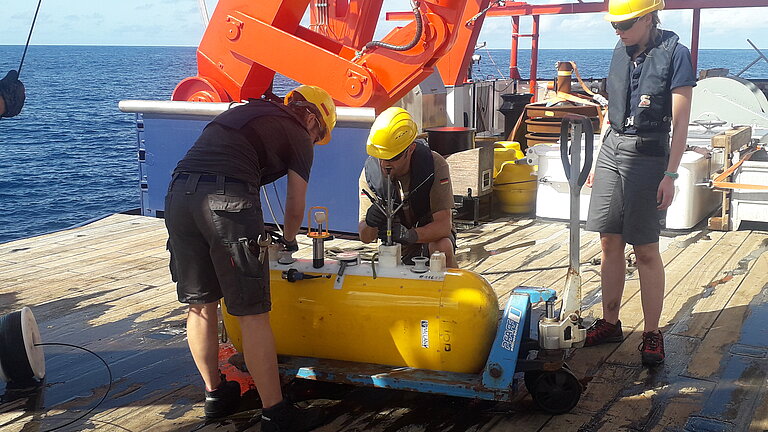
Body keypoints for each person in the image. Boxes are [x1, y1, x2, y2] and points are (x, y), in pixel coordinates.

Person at [164, 85, 336, 430]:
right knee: (252, 313)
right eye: (319, 135)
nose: (314, 142)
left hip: (179, 196)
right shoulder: (299, 133)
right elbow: (295, 204)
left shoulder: (247, 113)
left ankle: (216, 395)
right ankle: (276, 414)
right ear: (312, 118)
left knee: (200, 305)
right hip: (227, 200)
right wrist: (288, 242)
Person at [584, 0, 695, 366]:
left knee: (645, 249)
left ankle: (651, 333)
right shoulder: (620, 50)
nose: (619, 31)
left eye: (626, 24)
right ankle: (610, 322)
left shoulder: (676, 54)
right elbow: (611, 111)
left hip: (648, 153)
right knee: (609, 240)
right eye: (614, 25)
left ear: (648, 17)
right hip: (612, 148)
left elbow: (681, 123)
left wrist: (671, 174)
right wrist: (597, 162)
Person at [358, 107, 457, 268]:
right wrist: (370, 222)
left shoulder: (435, 165)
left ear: (410, 149)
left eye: (393, 157)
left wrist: (410, 235)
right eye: (380, 157)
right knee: (387, 254)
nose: (385, 164)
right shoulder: (369, 175)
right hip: (393, 241)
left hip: (429, 233)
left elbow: (444, 226)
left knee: (442, 248)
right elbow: (365, 237)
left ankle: (451, 282)